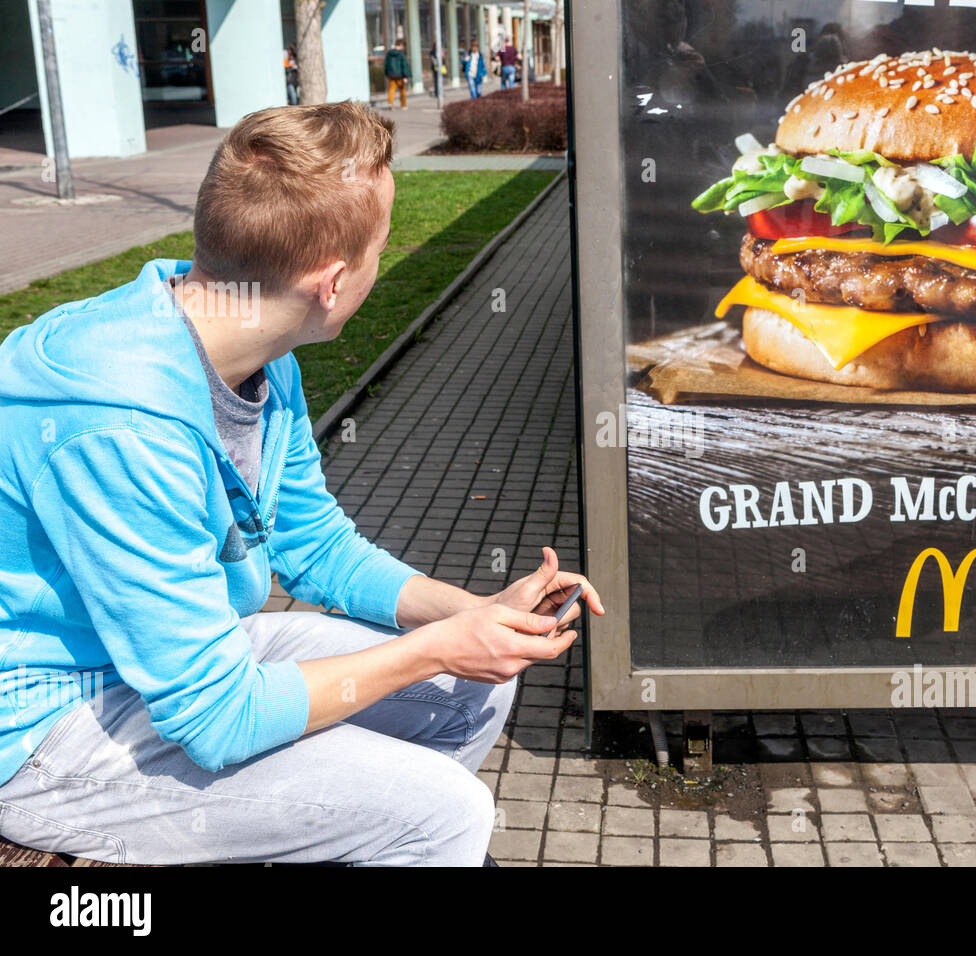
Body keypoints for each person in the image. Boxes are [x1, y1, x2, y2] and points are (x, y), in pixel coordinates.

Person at [0, 101, 604, 866]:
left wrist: (476, 613)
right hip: (50, 723)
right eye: (382, 246)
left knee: (477, 690)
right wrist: (437, 648)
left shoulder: (250, 347)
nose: (383, 263)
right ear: (335, 281)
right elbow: (215, 718)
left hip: (168, 658)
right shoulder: (121, 427)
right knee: (446, 812)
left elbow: (314, 547)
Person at [384, 38, 412, 109]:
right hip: (400, 75)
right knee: (402, 90)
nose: (403, 47)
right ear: (401, 45)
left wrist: (386, 73)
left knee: (392, 89)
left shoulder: (389, 53)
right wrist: (406, 76)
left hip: (391, 74)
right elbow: (404, 65)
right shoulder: (401, 54)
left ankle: (390, 103)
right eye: (403, 46)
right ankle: (403, 105)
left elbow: (386, 64)